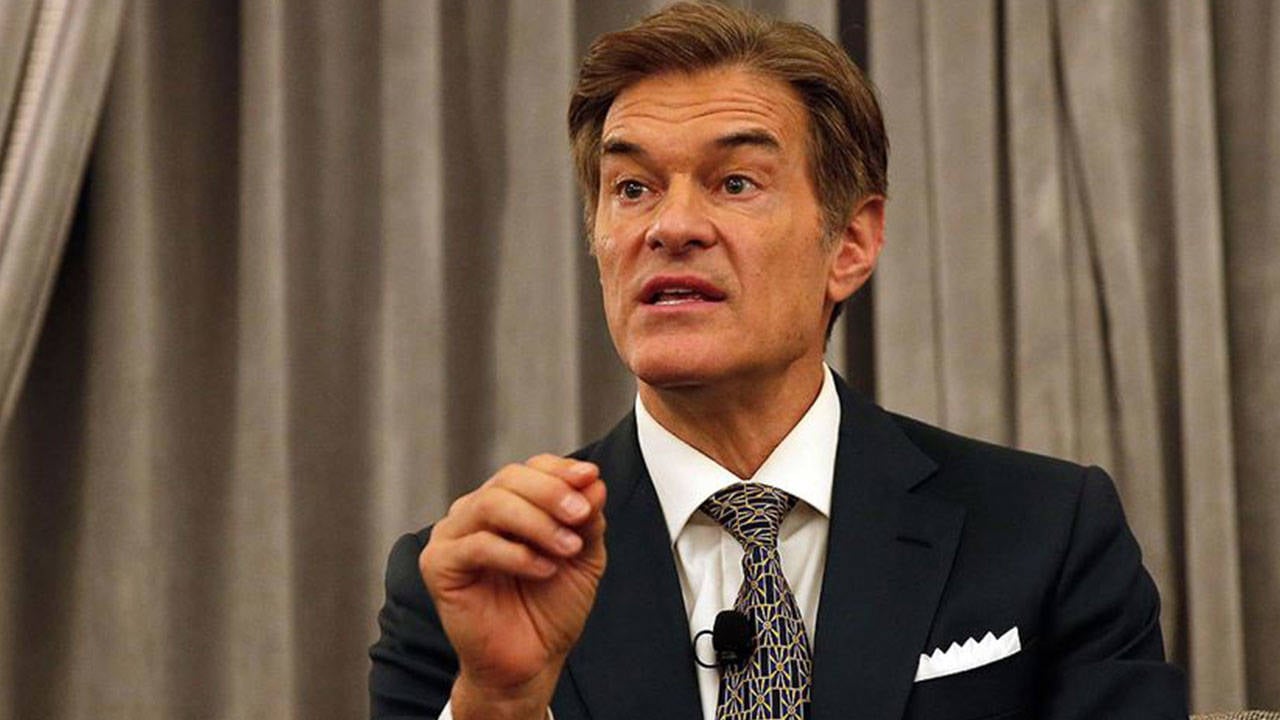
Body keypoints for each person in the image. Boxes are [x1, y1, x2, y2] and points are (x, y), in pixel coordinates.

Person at [369, 3, 1189, 719]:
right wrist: (501, 703)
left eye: (734, 183)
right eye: (632, 188)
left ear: (851, 243)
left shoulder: (1046, 531)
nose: (670, 227)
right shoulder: (474, 586)